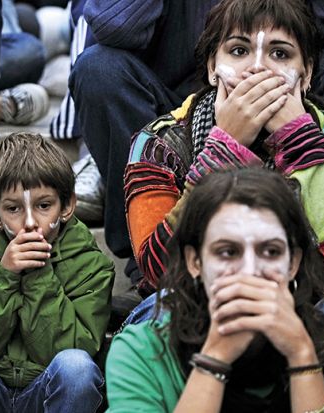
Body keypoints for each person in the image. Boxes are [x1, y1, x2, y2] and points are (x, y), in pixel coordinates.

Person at [124, 0, 324, 297]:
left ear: (307, 74)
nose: (258, 68)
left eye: (279, 53)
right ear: (212, 67)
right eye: (239, 51)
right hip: (197, 309)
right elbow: (162, 274)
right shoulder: (159, 143)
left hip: (305, 308)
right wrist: (224, 149)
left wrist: (300, 141)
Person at [107, 168, 324, 412]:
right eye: (227, 252)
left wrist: (302, 355)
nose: (250, 270)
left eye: (270, 252)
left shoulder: (323, 342)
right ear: (195, 262)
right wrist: (214, 358)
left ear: (292, 264)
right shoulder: (143, 352)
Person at [0, 132, 114, 413]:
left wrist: (38, 276)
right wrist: (3, 276)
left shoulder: (91, 266)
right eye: (13, 209)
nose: (30, 223)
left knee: (76, 367)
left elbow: (76, 348)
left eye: (44, 206)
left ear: (66, 206)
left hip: (46, 391)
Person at [69, 0, 221, 283]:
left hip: (249, 92)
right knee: (98, 69)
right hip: (158, 102)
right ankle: (145, 267)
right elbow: (112, 24)